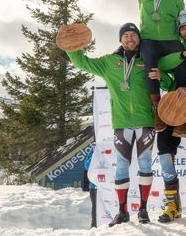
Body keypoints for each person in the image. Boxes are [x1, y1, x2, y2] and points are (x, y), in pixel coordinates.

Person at [66, 23, 155, 227]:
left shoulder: (148, 60)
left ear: (139, 39)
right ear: (120, 40)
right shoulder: (109, 62)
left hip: (145, 122)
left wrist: (162, 76)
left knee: (145, 165)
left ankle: (143, 210)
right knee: (122, 165)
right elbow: (82, 63)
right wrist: (71, 44)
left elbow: (166, 79)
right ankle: (122, 212)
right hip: (122, 123)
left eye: (134, 35)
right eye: (126, 35)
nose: (130, 38)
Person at [114, 0, 186, 133]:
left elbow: (183, 22)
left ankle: (180, 115)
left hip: (171, 39)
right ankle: (157, 111)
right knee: (149, 69)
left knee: (182, 66)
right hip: (149, 40)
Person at [148, 10, 186, 223]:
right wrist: (164, 78)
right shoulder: (177, 49)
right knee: (165, 155)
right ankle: (173, 205)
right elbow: (164, 69)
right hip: (174, 110)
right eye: (182, 28)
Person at [84, 144, 97, 228]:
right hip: (93, 186)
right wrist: (94, 154)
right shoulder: (93, 149)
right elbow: (86, 165)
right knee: (95, 207)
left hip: (108, 185)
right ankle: (94, 225)